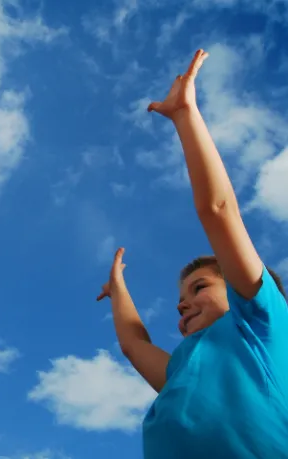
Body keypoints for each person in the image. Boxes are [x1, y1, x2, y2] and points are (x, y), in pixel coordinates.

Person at [97, 50, 288, 459]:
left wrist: (185, 115)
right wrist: (118, 291)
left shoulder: (262, 325)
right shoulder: (181, 369)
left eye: (199, 286)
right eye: (184, 295)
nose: (182, 303)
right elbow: (133, 343)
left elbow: (218, 210)